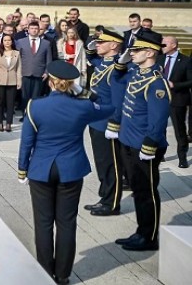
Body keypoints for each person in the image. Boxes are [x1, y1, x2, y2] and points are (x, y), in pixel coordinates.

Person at [18, 60, 114, 284]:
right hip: (70, 169)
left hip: (41, 169)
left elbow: (26, 143)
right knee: (67, 223)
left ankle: (44, 272)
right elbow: (109, 107)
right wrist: (86, 93)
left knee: (43, 223)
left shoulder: (35, 106)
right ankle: (62, 275)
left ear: (50, 82)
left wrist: (22, 169)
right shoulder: (83, 106)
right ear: (70, 84)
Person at [109, 31, 170, 252]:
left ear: (150, 52)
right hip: (128, 140)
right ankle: (141, 231)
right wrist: (121, 62)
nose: (131, 53)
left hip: (144, 147)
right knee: (138, 190)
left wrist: (150, 145)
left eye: (136, 50)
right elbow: (116, 78)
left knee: (147, 193)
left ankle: (149, 237)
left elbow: (158, 119)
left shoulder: (156, 83)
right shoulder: (136, 72)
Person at [82, 27, 127, 217]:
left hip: (108, 123)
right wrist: (93, 46)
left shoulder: (117, 68)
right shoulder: (103, 62)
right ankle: (104, 197)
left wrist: (114, 124)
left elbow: (117, 101)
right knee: (101, 162)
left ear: (114, 45)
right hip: (96, 121)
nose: (97, 45)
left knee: (111, 164)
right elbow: (91, 56)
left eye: (102, 42)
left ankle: (112, 203)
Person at [161, 36, 192, 168]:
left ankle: (182, 156)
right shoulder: (159, 58)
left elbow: (191, 81)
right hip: (160, 99)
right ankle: (159, 153)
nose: (161, 46)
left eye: (165, 44)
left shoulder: (186, 61)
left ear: (173, 45)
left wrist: (175, 85)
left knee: (179, 130)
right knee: (158, 128)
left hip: (178, 99)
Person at [17, 21, 52, 117]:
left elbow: (48, 59)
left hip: (39, 73)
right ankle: (25, 115)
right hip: (25, 73)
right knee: (25, 96)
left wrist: (47, 72)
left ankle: (34, 115)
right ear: (28, 30)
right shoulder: (21, 42)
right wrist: (18, 72)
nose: (34, 30)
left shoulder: (46, 43)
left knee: (36, 97)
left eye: (36, 28)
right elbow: (18, 58)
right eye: (32, 28)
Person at [0, 34, 21, 132]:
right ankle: (0, 123)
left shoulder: (16, 53)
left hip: (12, 81)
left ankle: (9, 123)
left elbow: (19, 68)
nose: (7, 42)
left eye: (9, 40)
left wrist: (19, 81)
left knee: (10, 104)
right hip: (0, 81)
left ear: (12, 41)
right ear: (2, 42)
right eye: (5, 40)